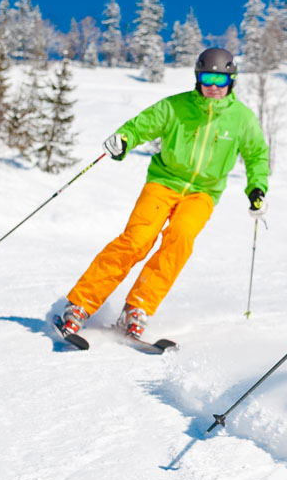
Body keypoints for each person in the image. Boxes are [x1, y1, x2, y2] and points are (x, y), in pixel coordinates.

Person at [57, 47, 270, 342]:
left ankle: (137, 308)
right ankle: (80, 304)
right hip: (164, 181)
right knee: (136, 241)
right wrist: (124, 138)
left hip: (203, 193)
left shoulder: (242, 119)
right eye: (207, 78)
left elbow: (257, 154)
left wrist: (257, 187)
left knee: (180, 238)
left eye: (220, 80)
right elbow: (142, 125)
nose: (213, 86)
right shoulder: (175, 106)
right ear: (198, 78)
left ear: (231, 81)